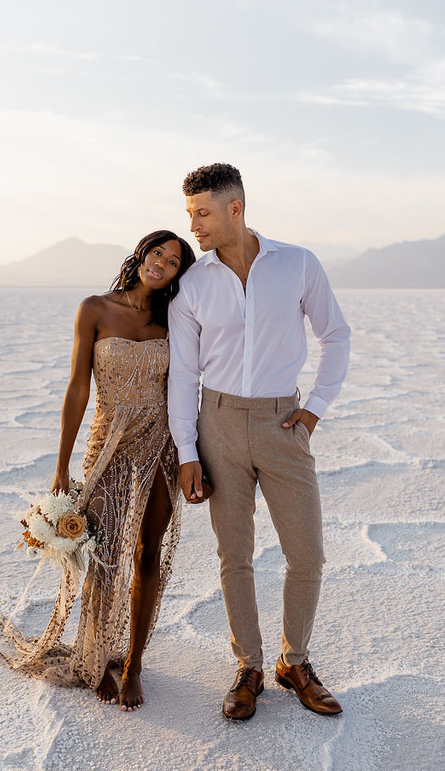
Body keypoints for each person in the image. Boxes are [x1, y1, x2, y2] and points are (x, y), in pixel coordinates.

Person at [0, 229, 195, 714]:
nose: (161, 263)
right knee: (106, 555)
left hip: (160, 443)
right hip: (108, 446)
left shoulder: (175, 320)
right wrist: (61, 464)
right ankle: (96, 658)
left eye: (174, 261)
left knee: (148, 551)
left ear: (179, 274)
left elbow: (185, 388)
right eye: (157, 252)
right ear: (141, 255)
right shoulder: (95, 308)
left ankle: (134, 662)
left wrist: (189, 454)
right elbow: (77, 388)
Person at [167, 164, 350, 721]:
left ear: (235, 209)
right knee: (234, 554)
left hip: (282, 422)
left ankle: (295, 663)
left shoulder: (296, 263)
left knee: (307, 553)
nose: (193, 225)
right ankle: (248, 667)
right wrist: (187, 452)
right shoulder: (193, 284)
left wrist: (314, 409)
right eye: (190, 213)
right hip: (216, 423)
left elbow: (335, 335)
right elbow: (183, 375)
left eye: (202, 212)